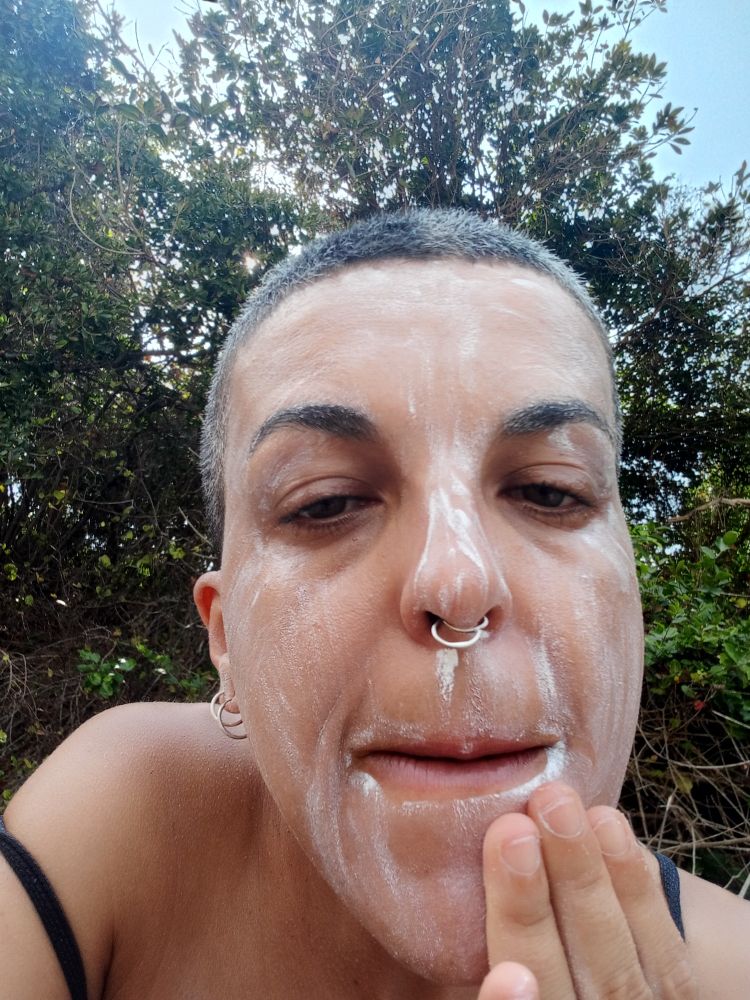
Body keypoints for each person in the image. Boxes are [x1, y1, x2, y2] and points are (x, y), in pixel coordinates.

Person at [1, 209, 747, 1000]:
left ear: (630, 600)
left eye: (549, 490)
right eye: (324, 502)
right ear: (226, 639)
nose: (459, 586)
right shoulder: (118, 826)